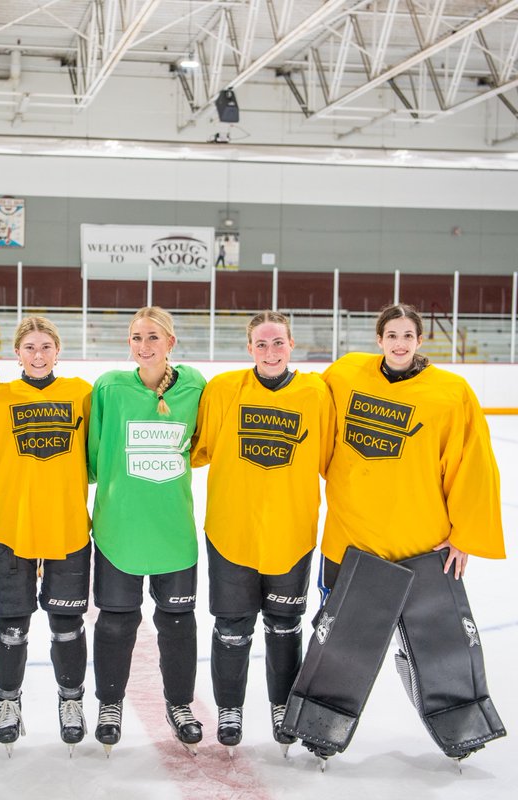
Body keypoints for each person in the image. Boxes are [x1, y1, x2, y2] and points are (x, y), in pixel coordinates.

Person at [312, 302, 506, 761]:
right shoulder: (344, 374)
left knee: (437, 647)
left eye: (408, 335)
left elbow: (472, 465)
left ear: (420, 341)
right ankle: (319, 724)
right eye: (391, 335)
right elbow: (311, 421)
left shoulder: (449, 392)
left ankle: (460, 726)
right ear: (378, 339)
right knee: (339, 644)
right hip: (351, 541)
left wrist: (465, 534)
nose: (399, 343)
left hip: (421, 546)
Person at [191, 311, 334, 754]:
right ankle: (230, 709)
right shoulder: (223, 390)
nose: (269, 352)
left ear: (292, 345)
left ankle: (283, 706)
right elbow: (199, 448)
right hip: (232, 531)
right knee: (232, 626)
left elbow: (330, 456)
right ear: (248, 348)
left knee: (284, 626)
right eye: (261, 344)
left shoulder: (315, 392)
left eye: (277, 343)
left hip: (291, 532)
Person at [87, 306, 207, 755]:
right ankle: (110, 705)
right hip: (120, 528)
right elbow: (95, 455)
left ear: (171, 343)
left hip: (173, 530)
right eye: (136, 337)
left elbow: (203, 443)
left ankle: (180, 705)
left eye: (153, 337)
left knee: (177, 624)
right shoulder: (110, 387)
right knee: (116, 624)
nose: (144, 345)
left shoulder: (195, 385)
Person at [0, 316, 93, 755]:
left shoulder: (81, 394)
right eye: (29, 347)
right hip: (12, 527)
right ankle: (8, 704)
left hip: (66, 529)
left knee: (68, 625)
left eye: (46, 346)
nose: (38, 354)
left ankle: (71, 702)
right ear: (17, 352)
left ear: (58, 350)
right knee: (11, 626)